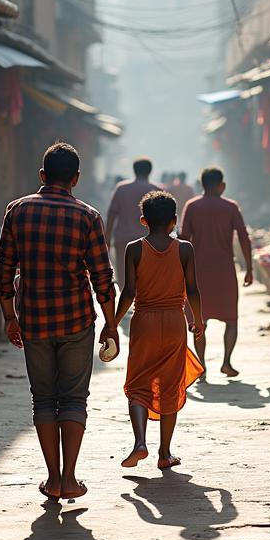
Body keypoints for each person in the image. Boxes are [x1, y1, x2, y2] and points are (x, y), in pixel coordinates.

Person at [0, 142, 116, 502]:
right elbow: (103, 277)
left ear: (42, 176)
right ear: (76, 179)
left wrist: (9, 316)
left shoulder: (17, 211)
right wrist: (110, 324)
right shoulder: (88, 217)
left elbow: (3, 267)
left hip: (33, 320)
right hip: (77, 320)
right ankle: (69, 478)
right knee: (74, 399)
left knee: (44, 399)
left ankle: (51, 478)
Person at [111, 191, 205, 471]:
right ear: (174, 221)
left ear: (143, 220)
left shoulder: (134, 249)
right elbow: (193, 290)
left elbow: (128, 292)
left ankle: (140, 442)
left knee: (138, 383)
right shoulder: (185, 249)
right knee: (169, 385)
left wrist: (113, 324)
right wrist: (198, 321)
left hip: (144, 322)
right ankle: (164, 453)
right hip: (175, 321)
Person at [179, 167, 253, 377]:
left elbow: (184, 238)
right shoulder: (230, 207)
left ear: (202, 185)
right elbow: (244, 236)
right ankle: (227, 362)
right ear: (222, 186)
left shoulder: (192, 206)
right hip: (224, 271)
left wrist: (180, 270)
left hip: (198, 271)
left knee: (197, 320)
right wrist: (249, 268)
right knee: (231, 319)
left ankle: (201, 365)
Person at [106, 158, 161, 274]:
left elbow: (111, 214)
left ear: (134, 170)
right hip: (149, 242)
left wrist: (107, 238)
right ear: (150, 171)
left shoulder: (121, 188)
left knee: (124, 276)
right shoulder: (156, 190)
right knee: (146, 276)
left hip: (123, 240)